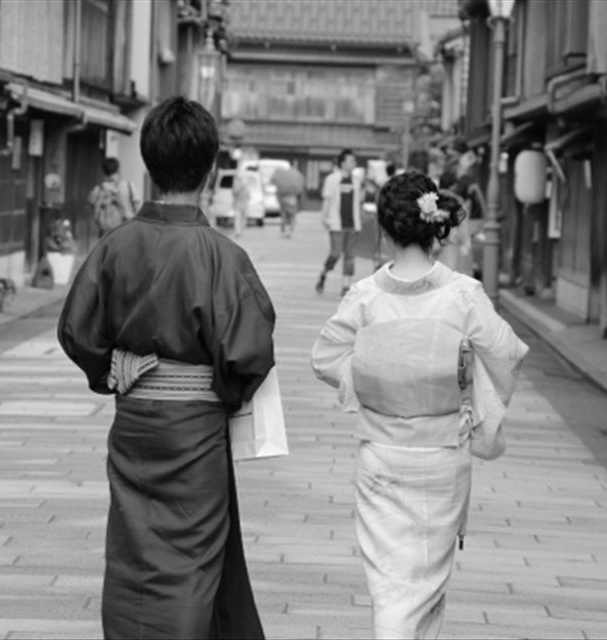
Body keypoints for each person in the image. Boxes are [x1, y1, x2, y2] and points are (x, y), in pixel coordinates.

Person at [57, 96, 274, 640]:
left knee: (132, 558)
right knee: (190, 563)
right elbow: (249, 351)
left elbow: (75, 329)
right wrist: (220, 390)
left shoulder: (114, 246)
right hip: (195, 432)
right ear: (212, 167)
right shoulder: (222, 255)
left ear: (148, 166)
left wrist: (115, 367)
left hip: (134, 425)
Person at [311, 171, 528, 639]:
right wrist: (470, 393)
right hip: (442, 454)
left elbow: (325, 358)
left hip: (380, 455)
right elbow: (507, 354)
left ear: (384, 232)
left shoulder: (366, 296)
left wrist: (372, 383)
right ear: (436, 226)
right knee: (426, 582)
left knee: (393, 585)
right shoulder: (462, 295)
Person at [316, 148, 363, 297]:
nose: (353, 163)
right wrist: (324, 217)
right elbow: (327, 199)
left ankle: (345, 285)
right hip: (336, 223)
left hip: (352, 224)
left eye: (354, 161)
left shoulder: (356, 181)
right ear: (342, 163)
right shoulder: (332, 179)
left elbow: (358, 202)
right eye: (351, 160)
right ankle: (324, 273)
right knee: (335, 254)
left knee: (350, 256)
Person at [88, 157, 142, 237]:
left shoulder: (98, 189)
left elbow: (91, 206)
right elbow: (139, 211)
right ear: (119, 170)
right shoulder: (129, 187)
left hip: (105, 234)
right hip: (126, 233)